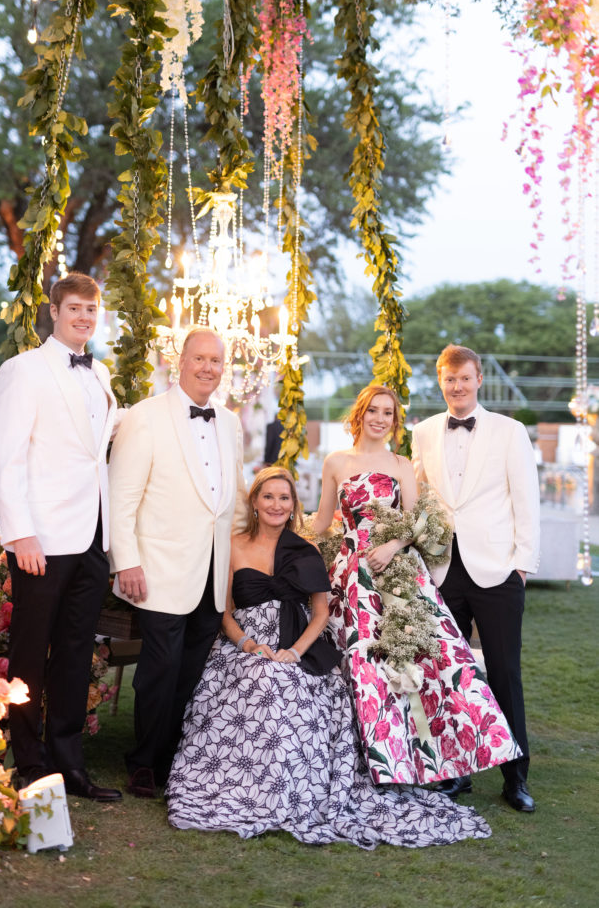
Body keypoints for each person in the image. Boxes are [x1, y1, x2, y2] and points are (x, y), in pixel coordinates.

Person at [166, 466, 491, 848]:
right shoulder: (232, 546)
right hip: (246, 643)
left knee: (296, 686)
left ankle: (297, 786)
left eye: (284, 498)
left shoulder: (304, 550)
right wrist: (250, 646)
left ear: (293, 505)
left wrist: (294, 652)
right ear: (254, 502)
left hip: (298, 643)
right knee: (260, 680)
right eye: (268, 496)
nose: (276, 504)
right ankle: (248, 785)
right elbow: (224, 612)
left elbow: (320, 614)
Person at [313, 383, 522, 788]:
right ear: (360, 414)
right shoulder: (336, 462)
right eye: (373, 410)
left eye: (387, 413)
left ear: (394, 421)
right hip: (352, 578)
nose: (379, 418)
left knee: (434, 662)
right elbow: (322, 522)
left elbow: (414, 523)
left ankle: (446, 760)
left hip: (399, 575)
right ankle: (379, 759)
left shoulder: (400, 464)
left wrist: (392, 546)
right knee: (366, 667)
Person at [0, 271, 122, 801]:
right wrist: (20, 533)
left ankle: (70, 766)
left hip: (91, 539)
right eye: (74, 309)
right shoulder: (24, 370)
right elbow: (6, 454)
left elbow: (93, 450)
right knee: (29, 654)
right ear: (54, 311)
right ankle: (28, 763)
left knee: (74, 653)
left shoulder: (101, 372)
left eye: (91, 309)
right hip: (40, 538)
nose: (84, 317)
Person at [108, 326, 248, 798]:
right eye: (200, 358)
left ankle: (173, 759)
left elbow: (231, 502)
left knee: (191, 673)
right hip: (158, 569)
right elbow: (121, 499)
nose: (208, 367)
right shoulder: (145, 417)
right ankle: (143, 763)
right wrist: (125, 561)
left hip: (211, 572)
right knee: (158, 672)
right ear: (180, 360)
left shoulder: (230, 423)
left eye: (216, 361)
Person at [411, 345, 540, 812]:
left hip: (497, 569)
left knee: (504, 673)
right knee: (449, 674)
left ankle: (516, 779)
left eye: (464, 378)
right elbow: (419, 498)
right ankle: (455, 773)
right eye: (449, 379)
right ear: (440, 382)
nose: (457, 386)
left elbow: (526, 499)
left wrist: (521, 565)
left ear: (479, 379)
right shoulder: (423, 432)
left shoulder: (510, 431)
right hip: (443, 569)